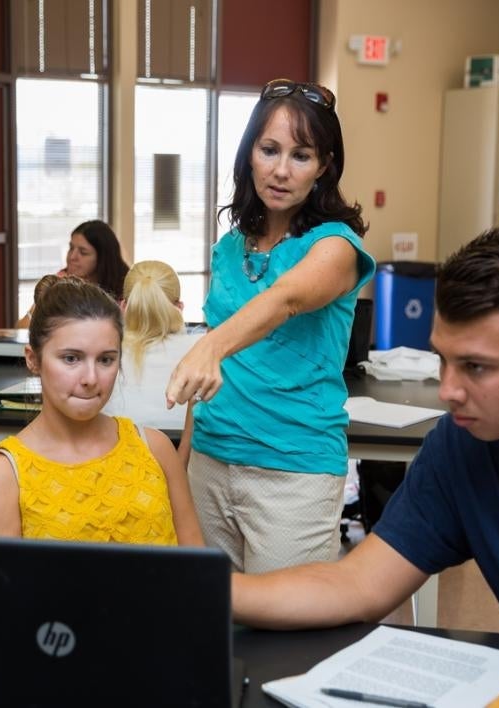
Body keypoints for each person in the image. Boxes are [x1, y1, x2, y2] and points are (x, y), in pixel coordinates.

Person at [232, 225, 499, 707]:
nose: (447, 391)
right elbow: (358, 583)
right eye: (444, 359)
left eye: (475, 367)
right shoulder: (464, 447)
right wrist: (209, 592)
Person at [165, 78, 376, 572]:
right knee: (213, 624)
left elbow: (285, 300)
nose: (281, 170)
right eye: (269, 150)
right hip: (210, 464)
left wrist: (209, 346)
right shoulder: (230, 248)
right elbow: (210, 377)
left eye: (301, 156)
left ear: (323, 167)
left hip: (293, 473)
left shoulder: (337, 247)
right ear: (249, 155)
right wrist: (181, 465)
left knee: (287, 641)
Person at [0, 277, 203, 546]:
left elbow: (197, 567)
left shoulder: (155, 449)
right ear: (33, 359)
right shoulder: (3, 476)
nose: (91, 378)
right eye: (71, 358)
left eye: (105, 360)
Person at [103, 260, 202, 436]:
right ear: (179, 307)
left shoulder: (102, 353)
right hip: (188, 459)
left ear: (123, 306)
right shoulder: (204, 350)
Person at [15, 220, 130, 326]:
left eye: (83, 252)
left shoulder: (126, 287)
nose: (72, 257)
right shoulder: (59, 281)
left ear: (103, 258)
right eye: (71, 248)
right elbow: (22, 326)